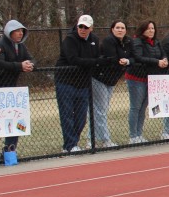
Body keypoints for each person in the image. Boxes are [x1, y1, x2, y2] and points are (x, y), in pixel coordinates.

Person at [0, 20, 34, 161]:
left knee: (14, 120)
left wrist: (29, 65)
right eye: (17, 31)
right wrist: (19, 66)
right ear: (9, 32)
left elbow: (31, 59)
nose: (20, 33)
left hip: (11, 91)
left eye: (22, 31)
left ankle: (9, 150)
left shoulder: (21, 46)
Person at [55, 14, 100, 152]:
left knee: (81, 118)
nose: (82, 29)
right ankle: (70, 145)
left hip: (83, 83)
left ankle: (73, 142)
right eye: (80, 26)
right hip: (65, 82)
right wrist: (94, 62)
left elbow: (96, 57)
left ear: (91, 28)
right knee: (67, 115)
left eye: (86, 27)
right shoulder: (70, 39)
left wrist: (96, 62)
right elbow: (73, 59)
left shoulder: (94, 40)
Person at [126, 20, 169, 144]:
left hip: (150, 78)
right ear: (143, 29)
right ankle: (133, 136)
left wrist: (164, 60)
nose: (151, 30)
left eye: (153, 28)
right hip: (136, 78)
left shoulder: (156, 42)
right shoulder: (137, 41)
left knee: (143, 107)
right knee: (135, 107)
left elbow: (163, 54)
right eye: (148, 28)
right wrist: (157, 62)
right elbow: (139, 57)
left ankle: (139, 134)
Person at [92, 20, 133, 147]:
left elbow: (134, 57)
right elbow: (112, 58)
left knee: (101, 110)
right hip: (99, 78)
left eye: (122, 28)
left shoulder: (128, 42)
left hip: (112, 80)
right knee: (100, 110)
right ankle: (104, 140)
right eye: (117, 27)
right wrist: (122, 60)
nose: (120, 30)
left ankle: (92, 139)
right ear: (112, 29)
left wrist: (127, 61)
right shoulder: (108, 41)